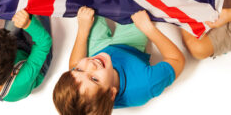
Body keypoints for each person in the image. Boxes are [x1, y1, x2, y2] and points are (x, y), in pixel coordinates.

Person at [53, 7, 185, 113]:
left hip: (98, 48)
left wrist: (83, 29)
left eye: (79, 70)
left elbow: (74, 63)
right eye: (95, 79)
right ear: (111, 93)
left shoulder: (80, 86)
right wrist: (148, 29)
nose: (90, 65)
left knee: (87, 7)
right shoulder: (145, 84)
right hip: (131, 46)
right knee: (134, 5)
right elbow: (176, 60)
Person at [0, 7, 53, 102]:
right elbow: (44, 43)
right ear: (12, 72)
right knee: (36, 11)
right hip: (34, 66)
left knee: (16, 9)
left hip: (13, 57)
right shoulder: (23, 79)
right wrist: (29, 24)